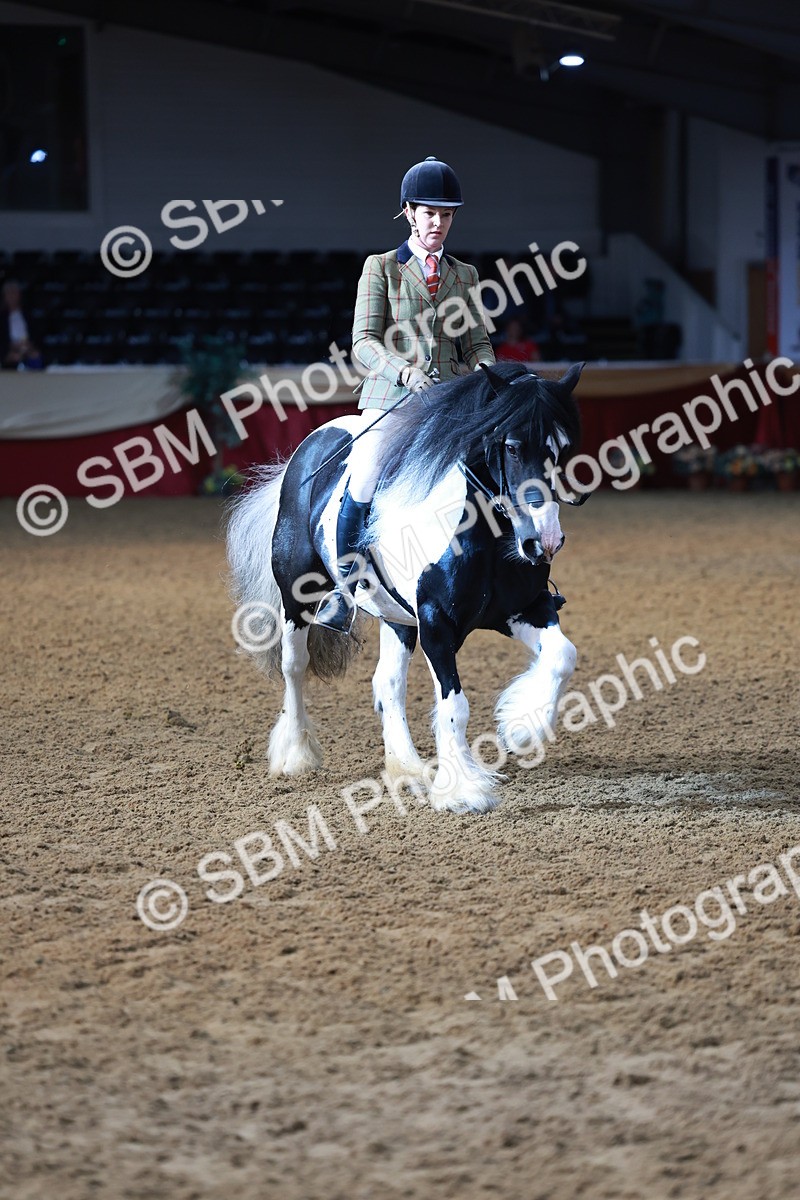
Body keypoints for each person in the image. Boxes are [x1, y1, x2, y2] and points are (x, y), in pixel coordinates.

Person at [314, 156, 496, 633]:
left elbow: (477, 342)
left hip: (453, 404)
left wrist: (485, 373)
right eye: (430, 213)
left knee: (503, 466)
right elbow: (363, 343)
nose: (439, 223)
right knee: (366, 474)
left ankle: (515, 575)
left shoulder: (466, 275)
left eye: (448, 214)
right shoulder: (381, 269)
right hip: (393, 400)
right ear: (409, 212)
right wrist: (406, 373)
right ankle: (344, 588)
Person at [0, 279, 44, 370]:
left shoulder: (27, 315)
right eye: (9, 293)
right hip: (8, 350)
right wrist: (10, 347)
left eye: (14, 293)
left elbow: (36, 334)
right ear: (5, 296)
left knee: (36, 356)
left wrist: (29, 345)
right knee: (11, 358)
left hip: (27, 347)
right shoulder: (2, 317)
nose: (12, 296)